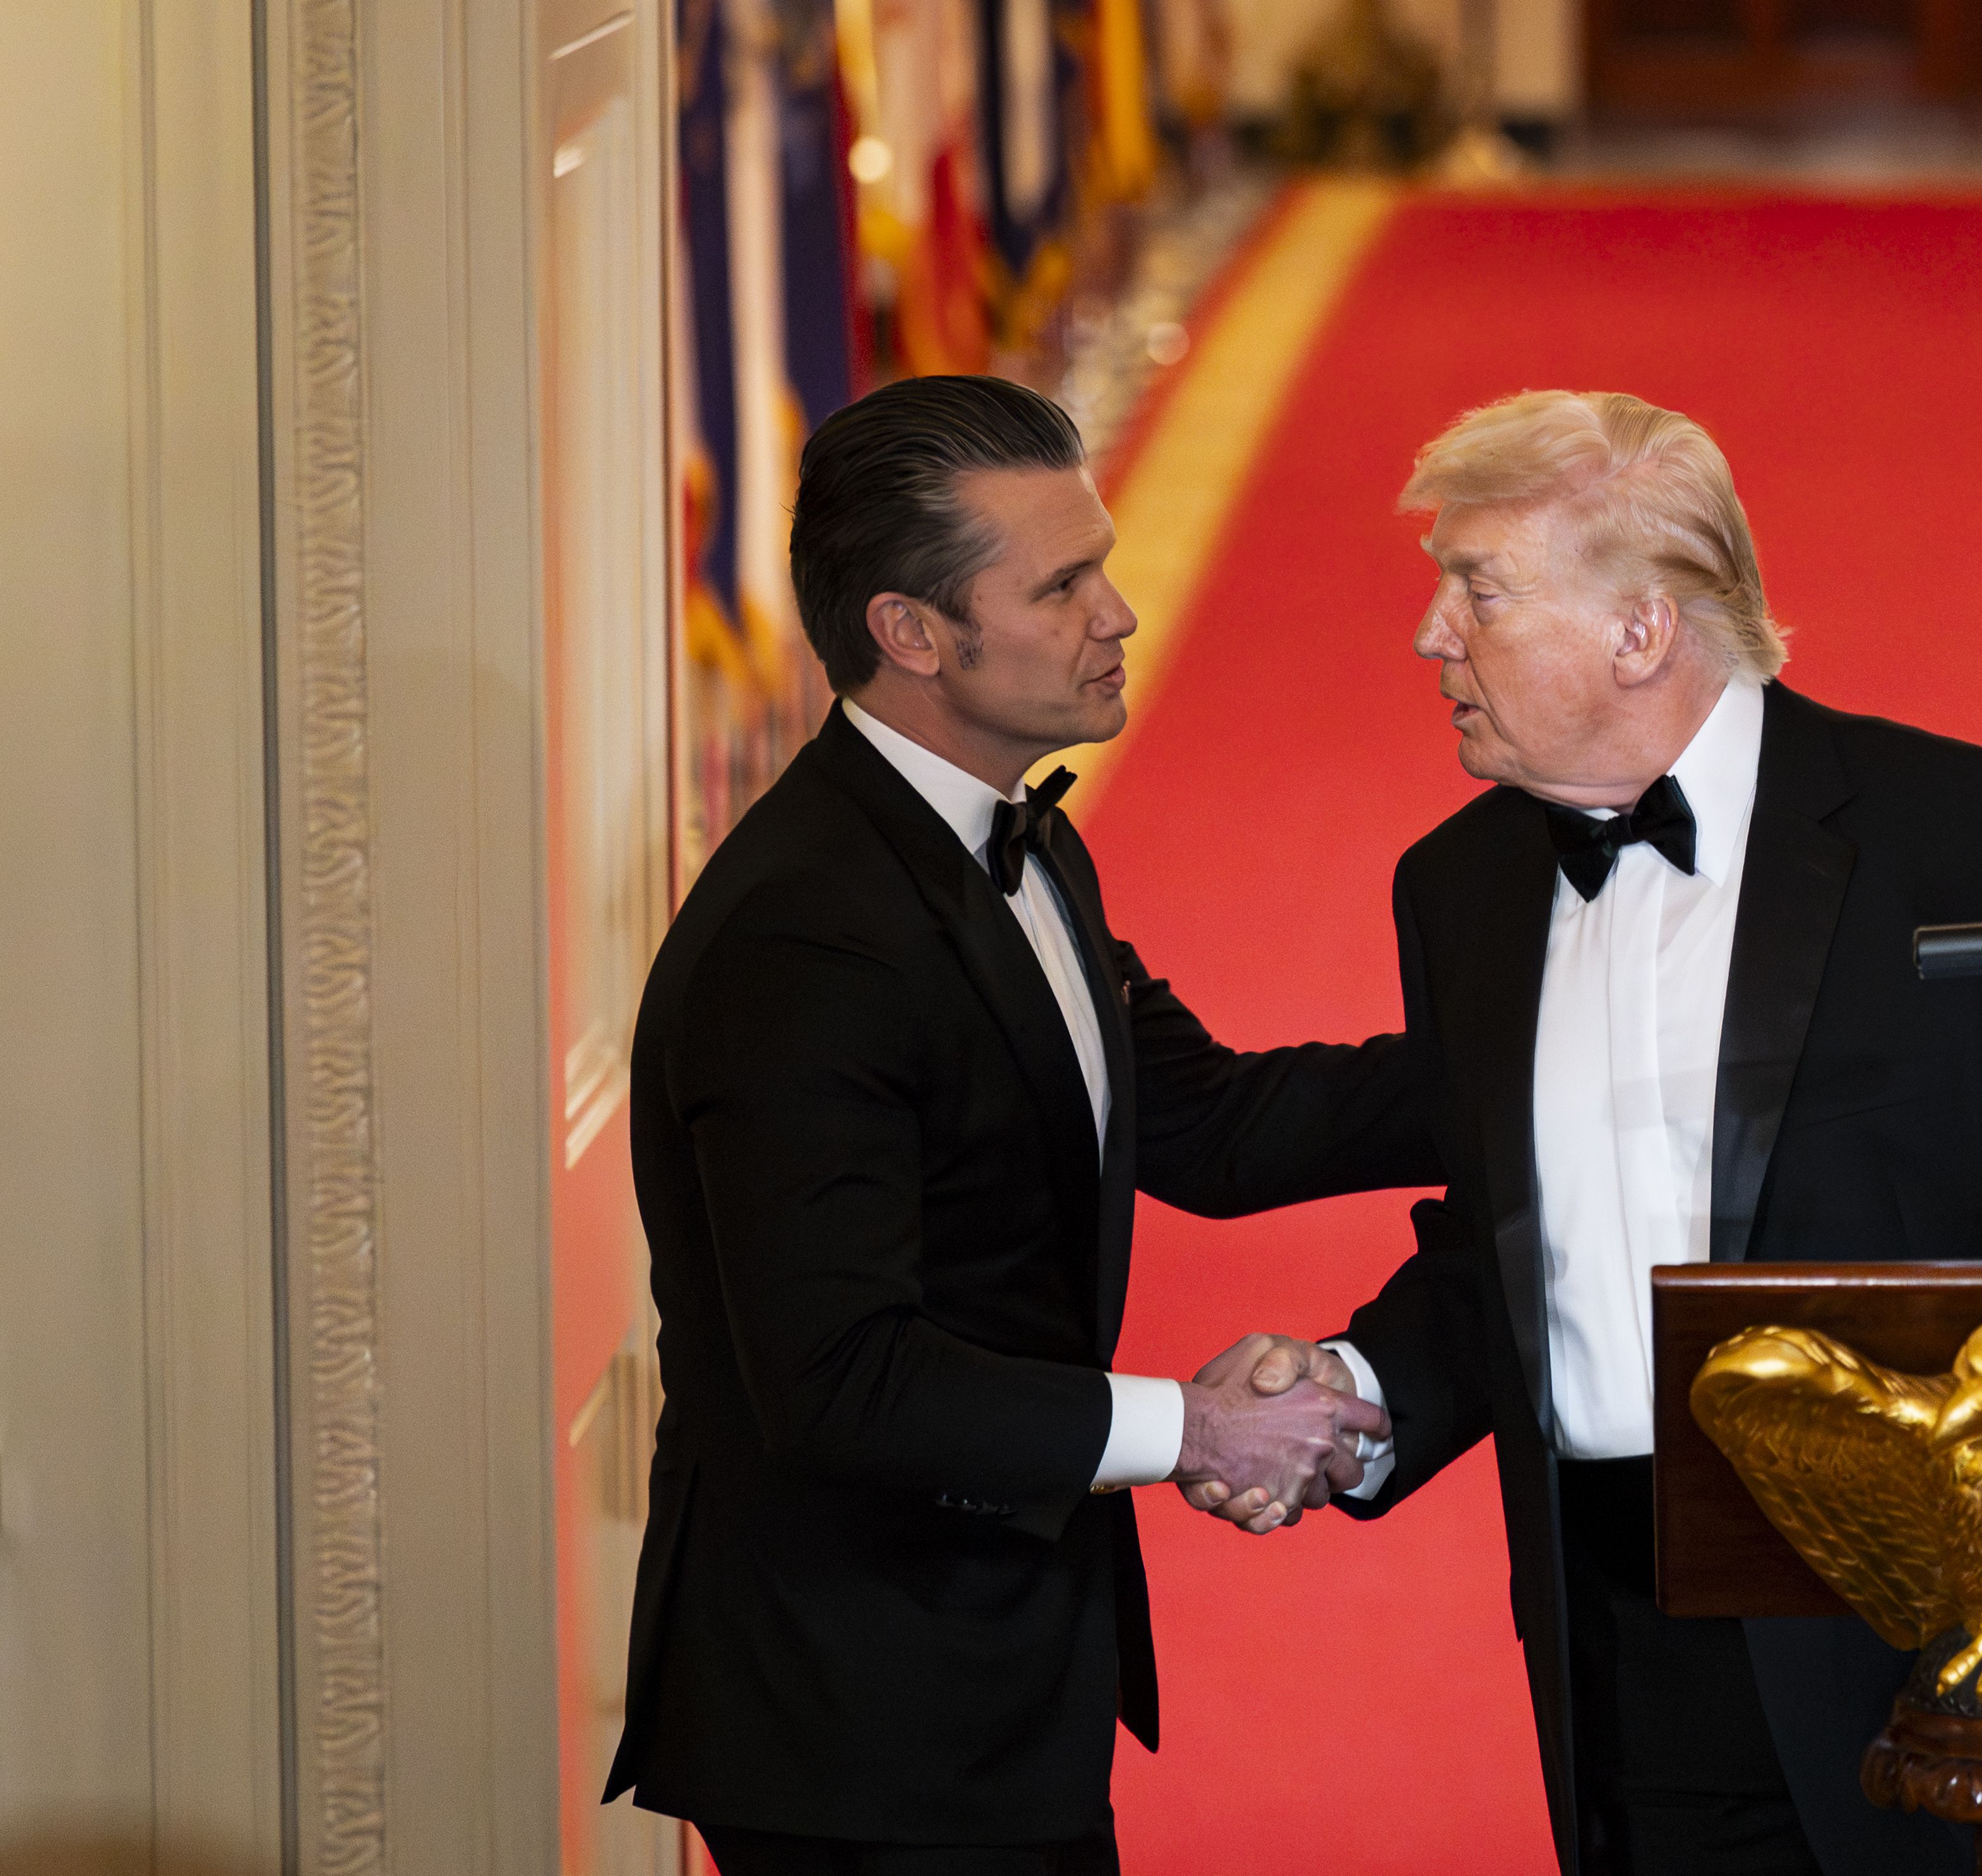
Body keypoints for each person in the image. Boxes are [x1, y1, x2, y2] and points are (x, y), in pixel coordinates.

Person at [1192, 391, 1982, 1876]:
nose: (1429, 634)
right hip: (1626, 1657)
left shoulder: (1981, 841)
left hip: (1963, 1655)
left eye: (1479, 586)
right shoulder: (1456, 891)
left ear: (1642, 632)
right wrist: (1359, 1389)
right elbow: (1519, 1245)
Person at [604, 375, 1433, 1875]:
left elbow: (1214, 1122)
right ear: (911, 634)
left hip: (983, 1681)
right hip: (857, 1719)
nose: (1118, 613)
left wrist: (1529, 1065)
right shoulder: (808, 938)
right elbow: (839, 1380)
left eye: (1103, 563)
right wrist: (1194, 1426)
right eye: (1061, 585)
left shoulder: (1013, 837)